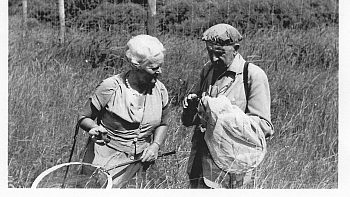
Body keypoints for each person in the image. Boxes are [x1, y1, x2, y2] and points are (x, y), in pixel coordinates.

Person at [181, 23, 274, 189]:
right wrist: (191, 108)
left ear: (235, 49)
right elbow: (191, 121)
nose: (214, 58)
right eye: (210, 52)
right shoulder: (207, 70)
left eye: (219, 53)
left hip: (232, 166)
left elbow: (264, 127)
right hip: (201, 161)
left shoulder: (252, 75)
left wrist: (223, 117)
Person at [78, 34, 169, 188]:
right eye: (153, 68)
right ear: (136, 65)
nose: (159, 71)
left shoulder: (160, 90)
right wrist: (94, 128)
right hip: (107, 161)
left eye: (160, 66)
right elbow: (83, 117)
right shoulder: (110, 87)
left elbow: (163, 122)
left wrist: (155, 145)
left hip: (141, 160)